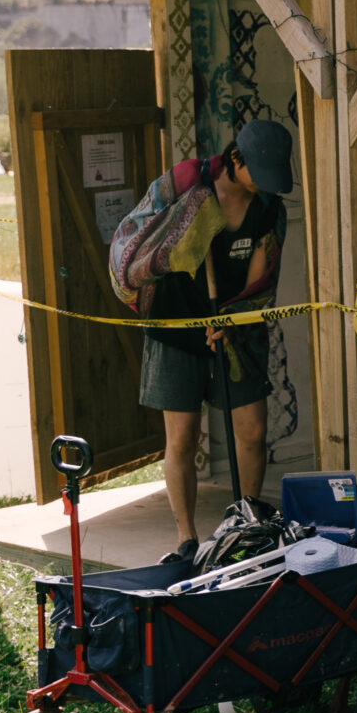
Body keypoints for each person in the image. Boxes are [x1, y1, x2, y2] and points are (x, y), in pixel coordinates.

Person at [123, 120, 295, 563]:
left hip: (233, 329)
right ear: (236, 159)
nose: (265, 187)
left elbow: (261, 281)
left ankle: (247, 525)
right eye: (260, 174)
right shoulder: (184, 184)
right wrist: (181, 239)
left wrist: (232, 321)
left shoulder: (268, 209)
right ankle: (185, 539)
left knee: (252, 431)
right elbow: (134, 244)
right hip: (175, 328)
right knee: (182, 436)